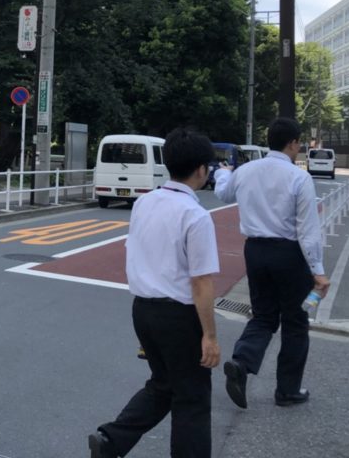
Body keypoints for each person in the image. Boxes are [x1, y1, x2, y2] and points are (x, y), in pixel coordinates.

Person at [89, 127, 220, 458]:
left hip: (143, 310)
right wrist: (210, 335)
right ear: (201, 170)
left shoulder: (145, 202)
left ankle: (111, 440)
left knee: (164, 384)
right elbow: (201, 282)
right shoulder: (195, 215)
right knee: (192, 397)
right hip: (179, 316)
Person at [214, 116, 329, 409]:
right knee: (295, 321)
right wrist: (318, 271)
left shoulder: (246, 171)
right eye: (299, 143)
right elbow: (308, 230)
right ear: (293, 143)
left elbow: (223, 193)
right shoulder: (299, 178)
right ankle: (287, 390)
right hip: (289, 254)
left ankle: (241, 362)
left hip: (255, 250)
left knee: (263, 315)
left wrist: (223, 173)